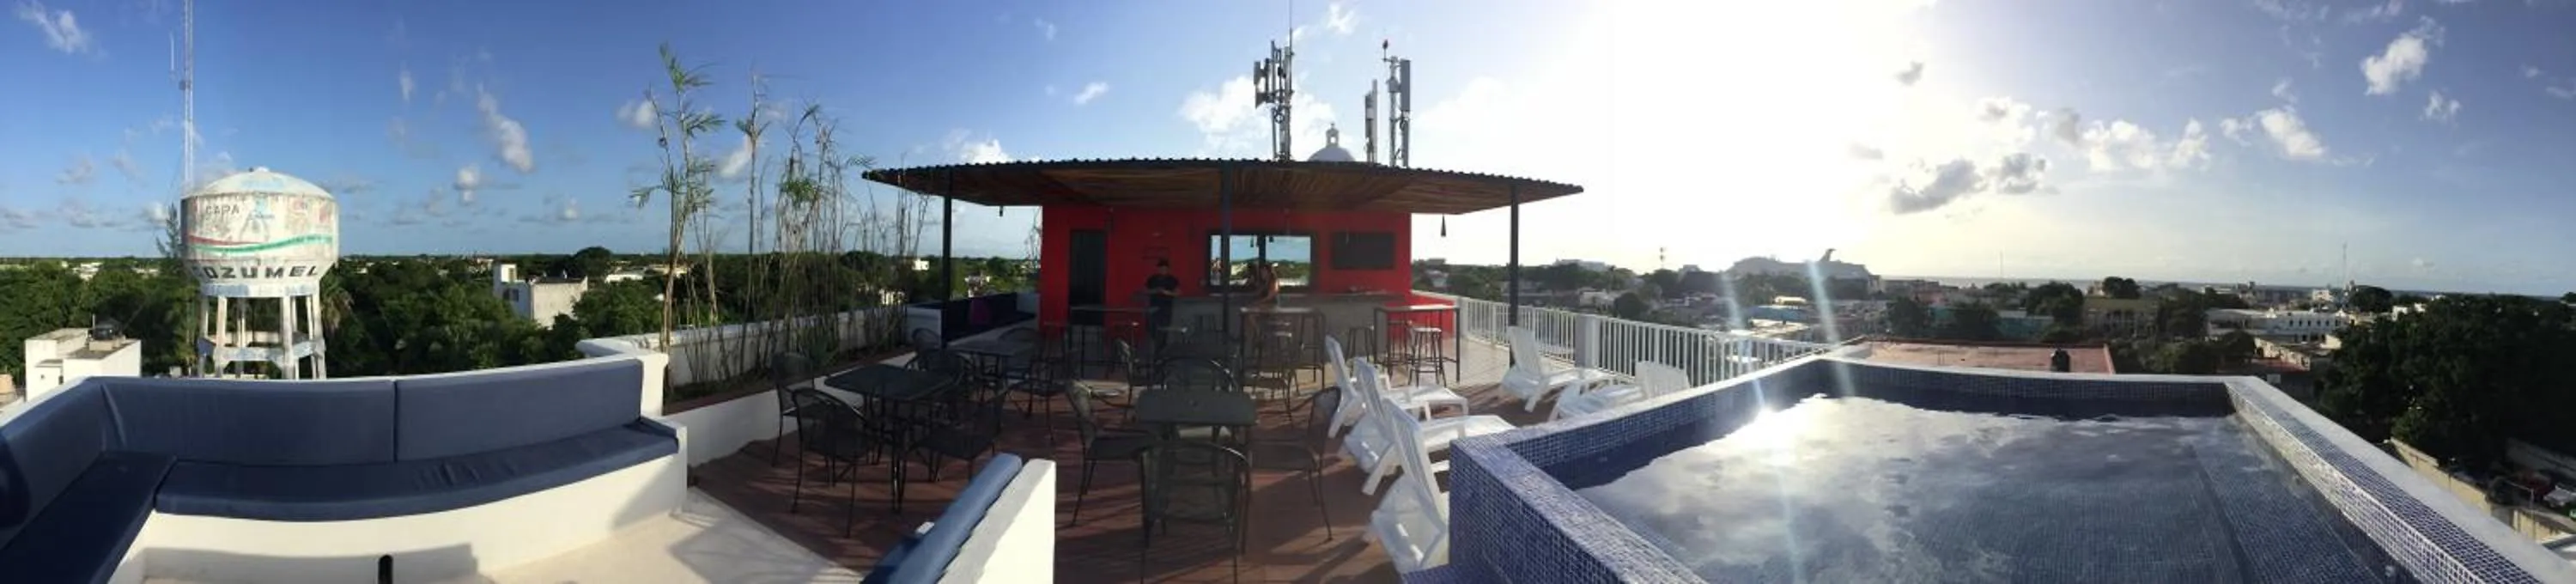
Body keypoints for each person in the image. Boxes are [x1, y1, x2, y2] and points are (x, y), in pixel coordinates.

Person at [1145, 259, 1181, 350]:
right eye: (1161, 269)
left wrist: (1166, 292)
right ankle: (1154, 348)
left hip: (1166, 307)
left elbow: (1177, 293)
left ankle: (1162, 349)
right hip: (1153, 307)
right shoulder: (1152, 279)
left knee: (1164, 329)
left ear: (1168, 269)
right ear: (1158, 269)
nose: (1163, 270)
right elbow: (1146, 291)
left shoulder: (1172, 280)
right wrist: (1155, 291)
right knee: (1152, 329)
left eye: (1164, 269)